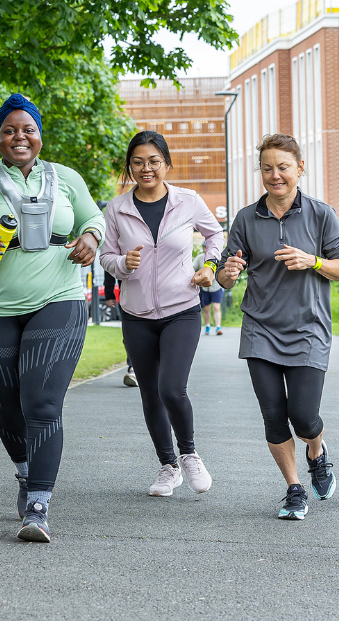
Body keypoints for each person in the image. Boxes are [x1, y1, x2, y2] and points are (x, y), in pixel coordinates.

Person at [0, 93, 104, 542]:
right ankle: (26, 474)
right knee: (8, 409)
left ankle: (39, 504)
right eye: (9, 130)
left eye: (28, 129)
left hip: (60, 297)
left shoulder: (66, 178)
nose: (19, 137)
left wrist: (90, 237)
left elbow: (94, 218)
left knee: (41, 403)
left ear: (40, 135)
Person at [217, 134, 339, 520]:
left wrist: (311, 260)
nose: (275, 175)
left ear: (300, 168)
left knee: (304, 416)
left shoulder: (321, 214)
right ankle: (294, 488)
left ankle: (317, 451)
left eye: (283, 167)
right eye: (267, 168)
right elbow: (226, 278)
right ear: (259, 171)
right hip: (260, 329)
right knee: (274, 415)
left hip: (308, 329)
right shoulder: (246, 218)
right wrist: (227, 273)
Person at [101, 130, 224, 497]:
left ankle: (189, 454)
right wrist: (124, 263)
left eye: (154, 161)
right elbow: (106, 258)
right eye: (138, 162)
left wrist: (210, 266)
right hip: (137, 314)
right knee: (150, 394)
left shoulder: (188, 201)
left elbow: (215, 236)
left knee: (171, 388)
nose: (146, 168)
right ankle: (167, 466)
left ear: (166, 164)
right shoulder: (117, 208)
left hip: (181, 309)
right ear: (130, 166)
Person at [102, 268, 138, 387]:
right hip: (129, 294)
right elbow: (110, 263)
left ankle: (157, 368)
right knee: (131, 333)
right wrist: (109, 292)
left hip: (161, 295)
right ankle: (134, 369)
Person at [194, 250, 224, 335]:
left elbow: (222, 270)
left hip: (216, 287)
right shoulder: (200, 257)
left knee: (216, 307)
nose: (206, 249)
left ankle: (218, 327)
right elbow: (193, 266)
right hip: (204, 288)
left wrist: (213, 276)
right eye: (205, 247)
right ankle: (207, 326)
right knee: (206, 308)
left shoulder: (218, 257)